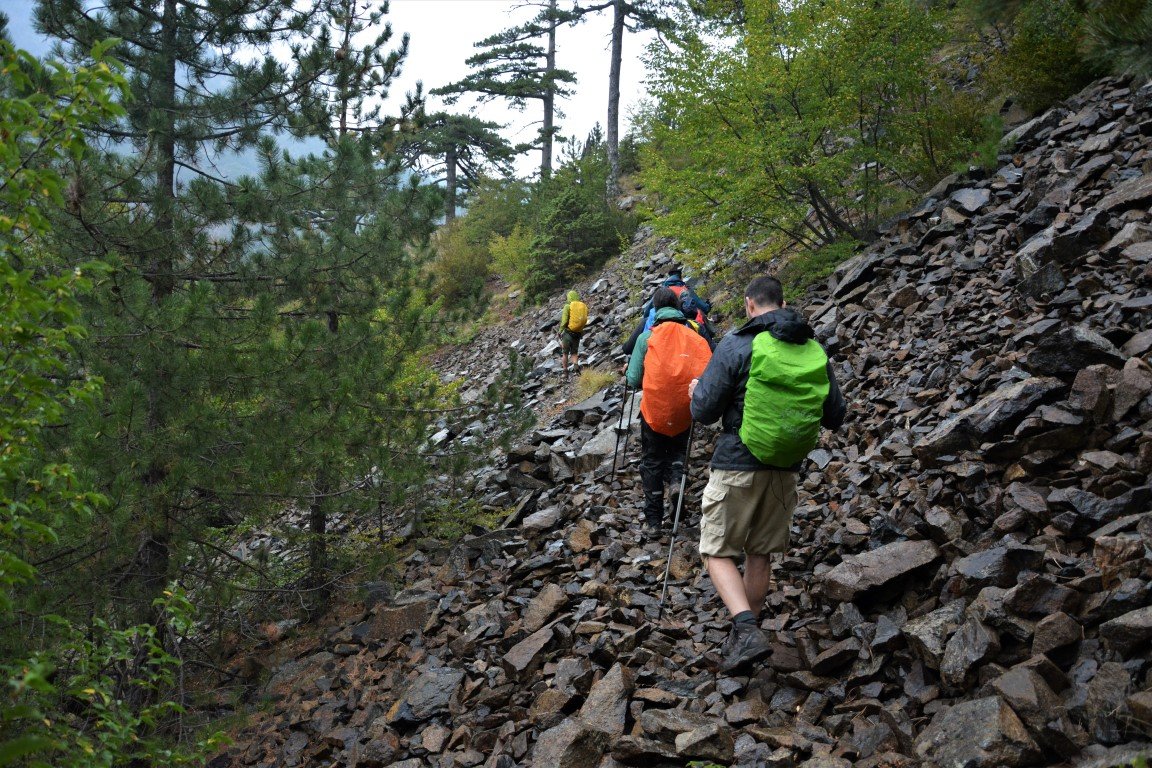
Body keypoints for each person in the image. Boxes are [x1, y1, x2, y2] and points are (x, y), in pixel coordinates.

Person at [688, 275, 846, 674]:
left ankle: (745, 630)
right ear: (783, 301)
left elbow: (704, 411)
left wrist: (695, 393)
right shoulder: (811, 349)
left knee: (715, 550)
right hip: (784, 469)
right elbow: (836, 415)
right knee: (759, 553)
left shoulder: (737, 344)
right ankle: (747, 639)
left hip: (736, 464)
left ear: (748, 305)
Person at [626, 288, 713, 537]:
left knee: (652, 461)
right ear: (677, 307)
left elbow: (633, 379)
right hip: (685, 410)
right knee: (677, 453)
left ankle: (654, 522)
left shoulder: (647, 339)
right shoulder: (694, 335)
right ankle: (676, 482)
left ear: (656, 309)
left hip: (654, 411)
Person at [622, 269, 714, 356]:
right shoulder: (684, 289)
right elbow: (701, 305)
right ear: (680, 278)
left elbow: (646, 311)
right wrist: (707, 306)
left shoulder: (662, 291)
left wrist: (646, 320)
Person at [558, 289, 588, 377]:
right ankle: (576, 368)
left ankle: (565, 372)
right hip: (577, 333)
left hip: (568, 333)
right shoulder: (583, 306)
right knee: (574, 353)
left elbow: (564, 321)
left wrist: (560, 331)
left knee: (565, 353)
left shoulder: (568, 306)